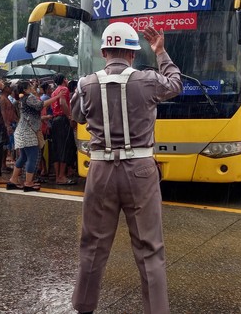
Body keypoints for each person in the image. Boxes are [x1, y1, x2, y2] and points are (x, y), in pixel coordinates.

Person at [70, 23, 182, 314]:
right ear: (133, 53)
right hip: (142, 170)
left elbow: (77, 116)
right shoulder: (148, 80)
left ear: (103, 51)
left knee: (93, 245)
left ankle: (83, 306)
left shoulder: (85, 84)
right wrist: (160, 52)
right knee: (149, 249)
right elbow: (176, 84)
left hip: (100, 170)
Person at [6, 80, 65, 192]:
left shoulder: (23, 99)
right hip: (28, 132)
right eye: (30, 86)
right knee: (32, 157)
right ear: (25, 89)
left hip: (22, 131)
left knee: (23, 157)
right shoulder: (29, 97)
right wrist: (57, 97)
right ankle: (28, 183)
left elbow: (32, 114)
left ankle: (13, 180)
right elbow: (41, 105)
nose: (32, 87)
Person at [50, 73, 77, 185]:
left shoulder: (54, 91)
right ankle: (62, 176)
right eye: (66, 78)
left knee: (57, 148)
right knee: (64, 147)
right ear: (64, 79)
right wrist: (69, 116)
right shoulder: (64, 89)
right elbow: (62, 103)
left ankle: (58, 176)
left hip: (55, 121)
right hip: (62, 120)